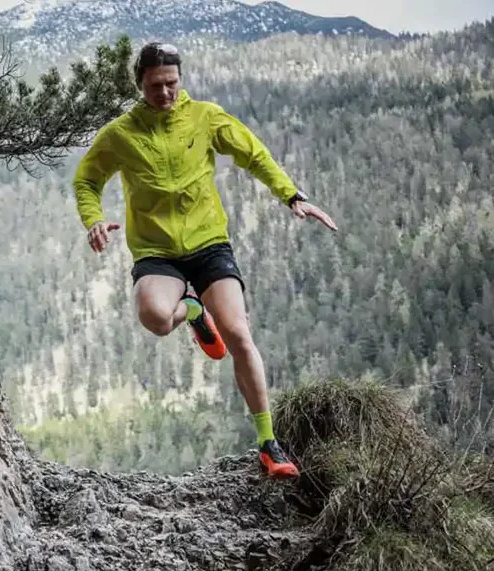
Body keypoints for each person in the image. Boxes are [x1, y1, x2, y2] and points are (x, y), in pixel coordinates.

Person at [72, 42, 338, 479]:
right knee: (156, 318)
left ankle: (269, 444)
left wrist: (292, 194)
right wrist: (94, 219)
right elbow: (87, 180)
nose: (166, 93)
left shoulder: (205, 117)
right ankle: (192, 309)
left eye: (172, 83)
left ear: (181, 80)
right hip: (157, 251)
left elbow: (253, 153)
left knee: (237, 332)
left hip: (209, 243)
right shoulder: (120, 134)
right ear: (139, 84)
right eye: (156, 85)